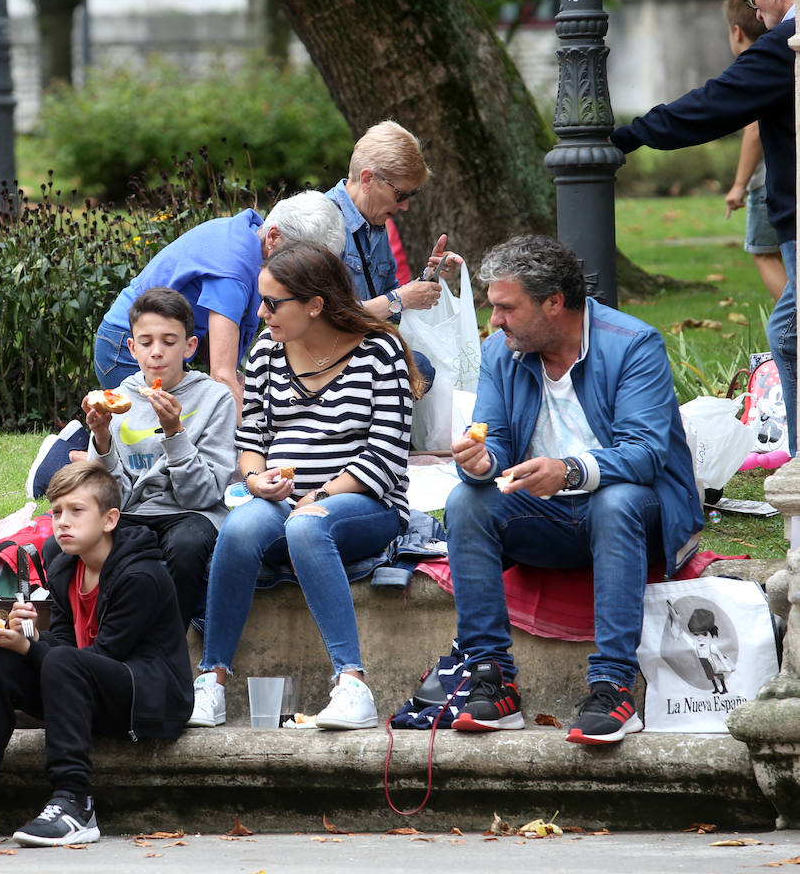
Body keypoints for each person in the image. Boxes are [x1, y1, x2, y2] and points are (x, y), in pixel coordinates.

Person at [445, 235, 701, 746]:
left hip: (637, 514)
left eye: (505, 307)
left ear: (554, 303)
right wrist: (481, 462)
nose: (494, 320)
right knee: (466, 502)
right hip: (547, 514)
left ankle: (613, 688)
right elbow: (493, 441)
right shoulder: (501, 352)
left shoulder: (632, 344)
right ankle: (491, 680)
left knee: (615, 499)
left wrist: (569, 471)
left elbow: (647, 452)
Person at [187, 244, 417, 731]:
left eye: (273, 303)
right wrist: (255, 480)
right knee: (241, 526)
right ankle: (212, 683)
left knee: (308, 528)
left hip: (364, 501)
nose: (261, 313)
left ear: (315, 304)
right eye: (261, 300)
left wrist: (320, 496)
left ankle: (353, 685)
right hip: (282, 501)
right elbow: (250, 441)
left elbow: (386, 452)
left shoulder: (380, 351)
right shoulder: (268, 352)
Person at [0, 462, 192, 849]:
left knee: (54, 660)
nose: (63, 522)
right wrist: (27, 634)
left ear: (110, 519)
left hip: (148, 702)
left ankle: (74, 803)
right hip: (83, 687)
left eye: (77, 511)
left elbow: (101, 657)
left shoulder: (140, 576)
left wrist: (31, 647)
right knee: (0, 663)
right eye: (57, 511)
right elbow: (65, 647)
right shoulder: (64, 567)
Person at [612, 0, 796, 453]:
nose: (752, 10)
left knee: (789, 334)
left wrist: (629, 134)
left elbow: (712, 106)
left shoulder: (787, 43)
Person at [95, 191, 348, 416]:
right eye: (301, 257)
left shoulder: (247, 230)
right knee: (147, 440)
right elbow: (222, 375)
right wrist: (255, 443)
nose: (304, 270)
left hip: (160, 342)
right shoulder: (232, 274)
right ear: (273, 236)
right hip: (128, 347)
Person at [85, 287, 237, 627]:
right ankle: (98, 641)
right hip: (133, 510)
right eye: (147, 342)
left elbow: (203, 495)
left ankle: (171, 644)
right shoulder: (119, 398)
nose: (157, 353)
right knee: (83, 541)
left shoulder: (215, 398)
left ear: (189, 346)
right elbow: (111, 498)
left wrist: (174, 432)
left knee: (186, 547)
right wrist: (102, 438)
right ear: (132, 348)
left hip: (190, 513)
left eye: (169, 342)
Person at [324, 120, 464, 391]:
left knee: (427, 366)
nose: (406, 206)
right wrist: (400, 299)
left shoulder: (374, 223)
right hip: (325, 360)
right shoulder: (322, 222)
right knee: (416, 367)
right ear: (367, 179)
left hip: (362, 352)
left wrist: (425, 283)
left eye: (413, 195)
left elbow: (388, 306)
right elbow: (324, 316)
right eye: (401, 194)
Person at [722, 0, 786, 302]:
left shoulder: (752, 67)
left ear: (737, 31)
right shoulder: (786, 54)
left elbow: (753, 131)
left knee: (763, 252)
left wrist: (738, 186)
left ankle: (795, 322)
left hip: (765, 181)